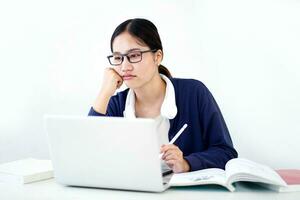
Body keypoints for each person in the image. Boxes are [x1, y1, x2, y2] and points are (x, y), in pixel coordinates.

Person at [88, 18, 238, 173]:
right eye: (118, 58)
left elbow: (226, 152)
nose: (125, 66)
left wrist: (187, 163)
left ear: (157, 57)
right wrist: (104, 92)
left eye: (134, 55)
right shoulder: (116, 105)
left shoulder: (194, 93)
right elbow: (88, 154)